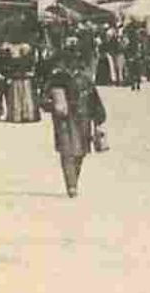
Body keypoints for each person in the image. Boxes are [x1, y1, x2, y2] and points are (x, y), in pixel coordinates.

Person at [43, 38, 105, 198]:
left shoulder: (83, 78)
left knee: (78, 152)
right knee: (68, 152)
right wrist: (54, 104)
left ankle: (73, 181)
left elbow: (93, 99)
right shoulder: (58, 78)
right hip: (67, 119)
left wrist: (98, 120)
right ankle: (71, 184)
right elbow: (44, 100)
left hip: (80, 118)